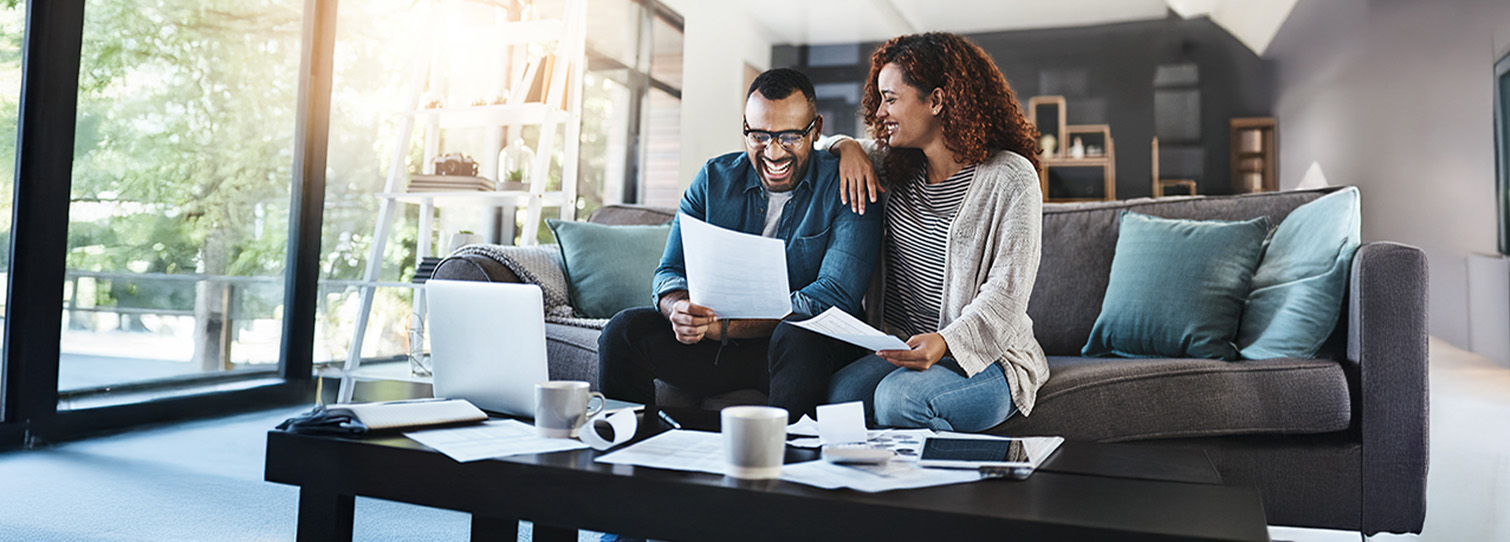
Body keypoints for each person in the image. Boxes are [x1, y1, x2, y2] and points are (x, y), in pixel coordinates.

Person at [596, 68, 882, 419]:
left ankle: (783, 464)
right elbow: (670, 271)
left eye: (790, 136)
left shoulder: (848, 187)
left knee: (799, 336)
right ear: (745, 127)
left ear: (816, 130)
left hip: (802, 349)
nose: (774, 153)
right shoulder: (713, 179)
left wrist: (727, 327)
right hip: (720, 344)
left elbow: (831, 299)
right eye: (759, 135)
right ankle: (628, 446)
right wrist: (678, 309)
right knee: (623, 332)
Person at [818, 32, 1049, 432]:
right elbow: (816, 143)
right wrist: (846, 148)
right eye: (880, 101)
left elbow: (1007, 294)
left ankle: (954, 491)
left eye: (891, 99)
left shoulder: (1011, 177)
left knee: (899, 400)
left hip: (990, 358)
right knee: (840, 397)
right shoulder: (893, 165)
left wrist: (945, 342)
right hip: (901, 349)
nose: (879, 115)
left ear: (937, 100)